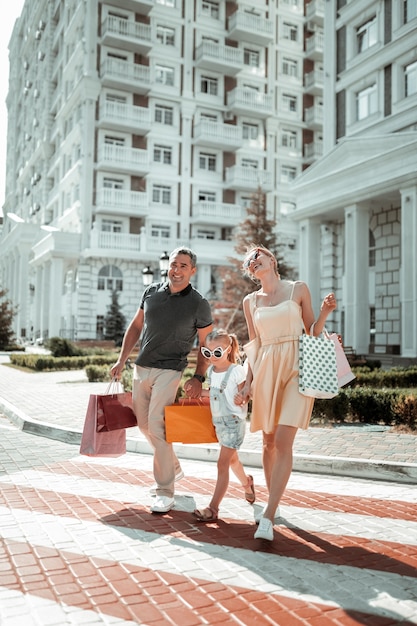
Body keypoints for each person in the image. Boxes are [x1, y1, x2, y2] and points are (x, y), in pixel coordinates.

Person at [235, 245, 337, 541]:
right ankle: (273, 503)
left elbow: (312, 332)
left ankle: (267, 516)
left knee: (282, 439)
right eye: (249, 261)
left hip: (296, 366)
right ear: (250, 271)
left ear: (271, 259)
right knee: (268, 442)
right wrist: (247, 382)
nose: (254, 261)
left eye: (258, 255)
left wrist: (325, 313)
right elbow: (254, 345)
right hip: (266, 369)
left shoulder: (298, 289)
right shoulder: (249, 301)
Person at [110, 247, 213, 514]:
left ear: (193, 270)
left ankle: (165, 491)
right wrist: (122, 360)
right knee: (144, 426)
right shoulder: (151, 292)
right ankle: (173, 467)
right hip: (142, 367)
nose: (176, 270)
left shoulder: (199, 303)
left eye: (183, 266)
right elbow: (135, 326)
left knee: (157, 426)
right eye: (173, 264)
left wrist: (199, 376)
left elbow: (205, 344)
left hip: (171, 369)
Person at [192, 329, 255, 521]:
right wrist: (197, 393)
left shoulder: (236, 371)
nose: (212, 357)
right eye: (207, 353)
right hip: (218, 423)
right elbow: (213, 393)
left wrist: (242, 398)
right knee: (232, 461)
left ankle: (213, 508)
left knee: (222, 464)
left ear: (228, 350)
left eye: (217, 352)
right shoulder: (211, 370)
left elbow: (245, 395)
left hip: (233, 423)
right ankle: (247, 483)